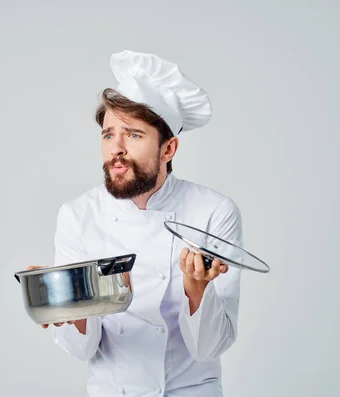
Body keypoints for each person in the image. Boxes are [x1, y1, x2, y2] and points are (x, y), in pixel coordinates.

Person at [31, 50, 243, 397]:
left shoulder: (213, 211)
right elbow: (82, 350)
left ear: (168, 149)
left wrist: (196, 287)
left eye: (133, 135)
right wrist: (73, 310)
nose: (116, 148)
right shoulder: (78, 215)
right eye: (108, 134)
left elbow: (210, 348)